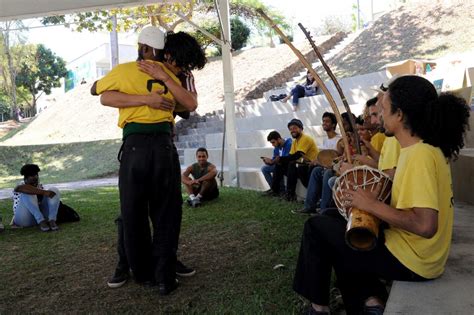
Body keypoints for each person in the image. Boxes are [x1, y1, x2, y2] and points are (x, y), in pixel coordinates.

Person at [293, 75, 470, 315]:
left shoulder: (419, 155)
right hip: (419, 255)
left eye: (384, 109)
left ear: (400, 115)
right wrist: (370, 196)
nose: (380, 115)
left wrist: (371, 204)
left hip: (414, 261)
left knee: (316, 228)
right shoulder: (421, 149)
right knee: (335, 220)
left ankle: (319, 308)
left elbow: (426, 225)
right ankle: (370, 300)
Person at [91, 27, 205, 295]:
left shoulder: (161, 73)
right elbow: (102, 95)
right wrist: (150, 99)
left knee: (136, 211)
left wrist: (162, 82)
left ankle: (148, 271)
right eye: (176, 62)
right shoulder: (166, 73)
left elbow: (99, 91)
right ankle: (154, 273)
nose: (179, 66)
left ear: (143, 46)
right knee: (158, 212)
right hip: (157, 148)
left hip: (141, 147)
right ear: (164, 52)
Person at [294, 112, 340, 214]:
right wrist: (315, 161)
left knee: (326, 172)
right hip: (324, 168)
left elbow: (337, 159)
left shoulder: (339, 140)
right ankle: (309, 206)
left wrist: (322, 163)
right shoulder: (325, 140)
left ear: (333, 124)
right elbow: (321, 158)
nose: (324, 123)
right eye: (323, 121)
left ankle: (324, 209)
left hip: (334, 170)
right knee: (315, 170)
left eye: (327, 121)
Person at [269, 119, 319, 201]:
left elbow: (297, 155)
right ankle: (275, 190)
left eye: (295, 128)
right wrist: (277, 161)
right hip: (301, 165)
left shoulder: (305, 138)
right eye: (291, 129)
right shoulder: (295, 141)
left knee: (292, 164)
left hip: (311, 165)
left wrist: (280, 158)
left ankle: (290, 194)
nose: (292, 130)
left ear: (301, 129)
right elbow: (290, 156)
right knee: (280, 165)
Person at [11, 164, 60, 232]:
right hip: (24, 219)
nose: (35, 182)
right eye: (32, 178)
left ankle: (52, 220)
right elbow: (20, 188)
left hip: (41, 217)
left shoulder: (40, 186)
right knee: (29, 192)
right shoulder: (20, 185)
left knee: (54, 189)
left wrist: (44, 192)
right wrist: (44, 192)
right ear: (25, 179)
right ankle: (41, 220)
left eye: (36, 178)